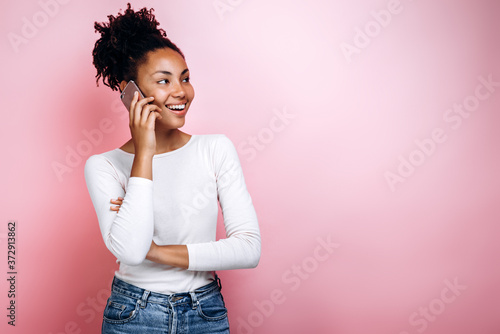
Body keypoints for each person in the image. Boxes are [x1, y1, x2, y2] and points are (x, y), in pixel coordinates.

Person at [84, 3, 261, 333]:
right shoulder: (104, 166)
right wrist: (145, 152)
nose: (181, 91)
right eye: (163, 81)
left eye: (185, 78)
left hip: (205, 311)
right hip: (134, 313)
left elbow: (248, 249)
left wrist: (155, 251)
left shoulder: (215, 149)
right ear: (129, 92)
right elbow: (130, 252)